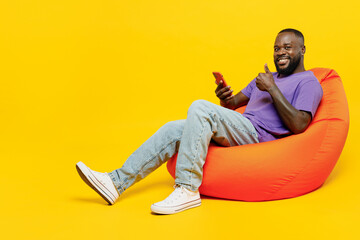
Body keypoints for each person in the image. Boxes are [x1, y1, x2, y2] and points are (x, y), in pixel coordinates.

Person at [76, 28, 323, 215]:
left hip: (259, 137)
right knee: (174, 128)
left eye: (288, 47)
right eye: (277, 48)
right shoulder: (264, 78)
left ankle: (187, 188)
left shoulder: (308, 82)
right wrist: (224, 95)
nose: (281, 52)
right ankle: (116, 182)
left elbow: (300, 124)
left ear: (302, 50)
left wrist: (273, 89)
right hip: (241, 126)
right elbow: (229, 107)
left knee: (199, 106)